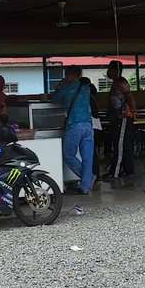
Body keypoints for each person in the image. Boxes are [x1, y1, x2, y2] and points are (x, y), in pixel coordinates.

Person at [52, 66, 95, 195]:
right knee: (87, 158)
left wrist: (60, 86)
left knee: (68, 155)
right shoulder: (86, 88)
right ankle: (85, 185)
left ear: (68, 75)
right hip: (88, 125)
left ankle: (88, 179)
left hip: (74, 125)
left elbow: (54, 100)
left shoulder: (66, 89)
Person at [104, 61, 136, 179]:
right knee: (121, 145)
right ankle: (127, 170)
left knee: (120, 146)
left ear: (115, 70)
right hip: (118, 119)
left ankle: (115, 172)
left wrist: (133, 112)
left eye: (109, 69)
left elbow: (130, 98)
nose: (108, 71)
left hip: (123, 119)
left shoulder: (121, 82)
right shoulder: (116, 83)